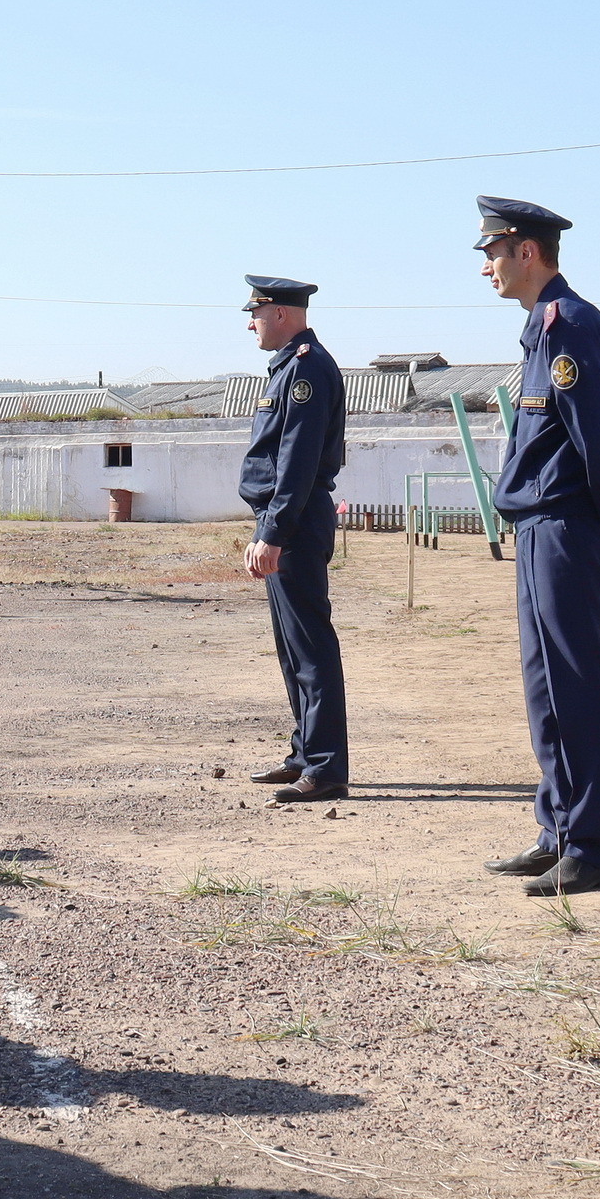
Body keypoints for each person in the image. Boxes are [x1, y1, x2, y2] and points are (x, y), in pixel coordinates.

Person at [472, 197, 600, 897]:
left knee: (578, 684)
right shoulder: (539, 330)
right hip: (538, 525)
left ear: (526, 251)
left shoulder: (568, 324)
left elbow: (597, 437)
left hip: (566, 525)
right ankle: (559, 831)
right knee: (545, 686)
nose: (485, 266)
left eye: (491, 252)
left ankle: (592, 848)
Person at [236, 277, 348, 805]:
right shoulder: (290, 365)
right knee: (291, 648)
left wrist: (274, 532)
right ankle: (306, 753)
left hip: (296, 521)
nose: (249, 324)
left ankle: (326, 768)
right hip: (285, 518)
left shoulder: (305, 367)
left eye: (254, 314)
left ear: (280, 313)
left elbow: (297, 459)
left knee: (310, 648)